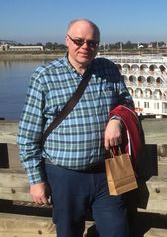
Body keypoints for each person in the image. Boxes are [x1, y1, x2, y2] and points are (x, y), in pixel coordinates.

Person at [17, 19, 132, 236]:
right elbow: (27, 136)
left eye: (92, 43)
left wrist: (116, 120)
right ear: (67, 41)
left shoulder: (107, 68)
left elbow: (126, 102)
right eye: (79, 41)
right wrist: (36, 180)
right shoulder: (45, 76)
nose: (85, 47)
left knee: (118, 231)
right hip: (64, 176)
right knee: (69, 232)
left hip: (109, 169)